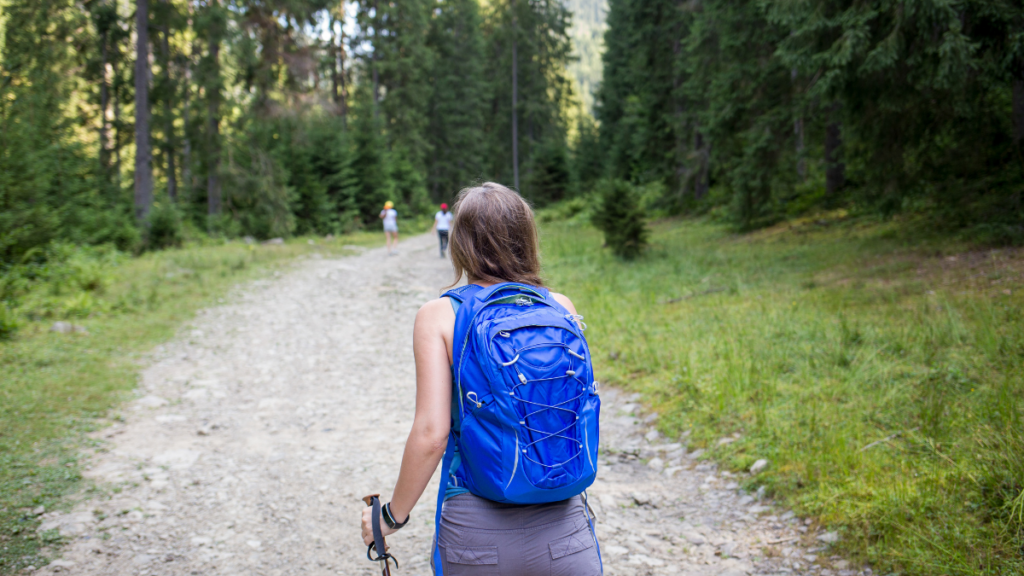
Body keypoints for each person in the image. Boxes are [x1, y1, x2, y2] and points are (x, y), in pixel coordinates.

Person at [360, 182, 601, 576]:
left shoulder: (440, 315)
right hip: (567, 532)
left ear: (461, 243)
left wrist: (389, 518)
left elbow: (432, 434)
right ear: (527, 238)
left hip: (478, 534)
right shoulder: (560, 307)